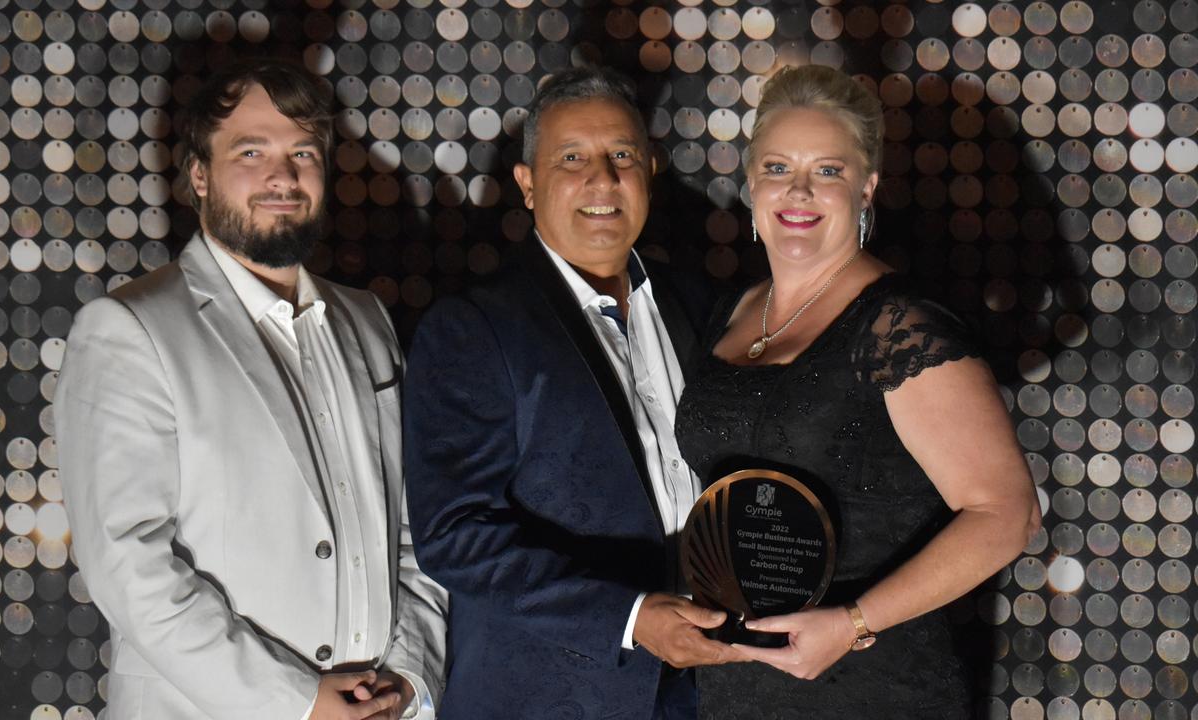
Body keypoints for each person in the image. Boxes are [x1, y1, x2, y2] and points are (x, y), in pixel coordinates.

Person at [56, 60, 446, 720]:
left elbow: (413, 533)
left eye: (302, 152)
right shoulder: (128, 330)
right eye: (252, 152)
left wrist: (409, 673)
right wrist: (295, 702)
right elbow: (127, 564)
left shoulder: (368, 321)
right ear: (199, 175)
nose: (284, 176)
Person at [673, 64, 1041, 718]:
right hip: (738, 690)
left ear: (867, 186)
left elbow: (1007, 515)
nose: (800, 191)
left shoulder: (896, 327)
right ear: (752, 180)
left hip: (874, 687)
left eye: (829, 172)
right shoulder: (729, 313)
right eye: (780, 168)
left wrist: (855, 622)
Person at [402, 65, 741, 719]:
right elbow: (454, 535)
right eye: (572, 158)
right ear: (527, 185)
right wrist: (633, 616)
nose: (602, 180)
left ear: (649, 169)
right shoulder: (472, 329)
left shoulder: (703, 307)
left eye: (621, 156)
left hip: (707, 698)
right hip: (548, 699)